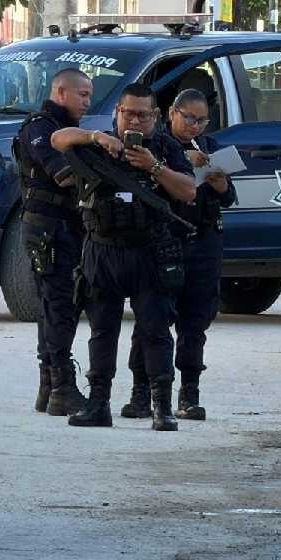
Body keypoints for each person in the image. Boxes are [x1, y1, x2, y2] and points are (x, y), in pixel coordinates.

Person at [51, 83, 196, 431]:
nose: (134, 121)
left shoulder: (165, 148)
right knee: (102, 332)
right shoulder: (99, 142)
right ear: (117, 111)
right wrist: (96, 138)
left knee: (156, 332)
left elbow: (189, 191)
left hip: (150, 251)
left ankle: (162, 408)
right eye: (128, 113)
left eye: (143, 115)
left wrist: (154, 167)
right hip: (103, 250)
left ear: (155, 116)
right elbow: (58, 139)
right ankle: (98, 404)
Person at [120, 88, 236, 421]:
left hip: (204, 242)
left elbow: (229, 198)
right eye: (189, 118)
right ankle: (141, 392)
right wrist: (182, 163)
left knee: (195, 321)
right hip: (164, 241)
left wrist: (219, 183)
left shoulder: (209, 148)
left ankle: (190, 392)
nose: (194, 126)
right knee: (151, 320)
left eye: (201, 121)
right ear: (172, 113)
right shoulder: (155, 145)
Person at [12, 68, 92, 416]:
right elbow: (63, 175)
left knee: (57, 305)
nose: (87, 103)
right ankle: (61, 386)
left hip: (62, 227)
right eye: (82, 95)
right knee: (59, 305)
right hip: (48, 228)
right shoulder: (41, 128)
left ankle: (50, 386)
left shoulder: (64, 129)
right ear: (60, 93)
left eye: (89, 96)